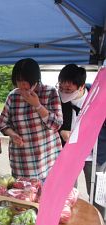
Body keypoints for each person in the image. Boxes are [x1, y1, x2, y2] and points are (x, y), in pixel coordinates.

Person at [0, 58, 63, 181]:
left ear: (35, 79)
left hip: (47, 158)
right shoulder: (13, 96)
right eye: (18, 81)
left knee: (46, 196)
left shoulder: (49, 92)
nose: (21, 85)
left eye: (25, 81)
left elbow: (57, 124)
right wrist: (13, 134)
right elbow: (2, 123)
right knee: (24, 196)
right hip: (22, 161)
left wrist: (38, 105)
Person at [57, 64, 106, 219]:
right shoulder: (58, 99)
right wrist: (61, 131)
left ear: (81, 86)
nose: (64, 93)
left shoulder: (98, 98)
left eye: (69, 90)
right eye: (62, 88)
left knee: (97, 192)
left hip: (95, 154)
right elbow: (55, 122)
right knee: (68, 191)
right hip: (69, 153)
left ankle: (98, 219)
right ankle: (69, 219)